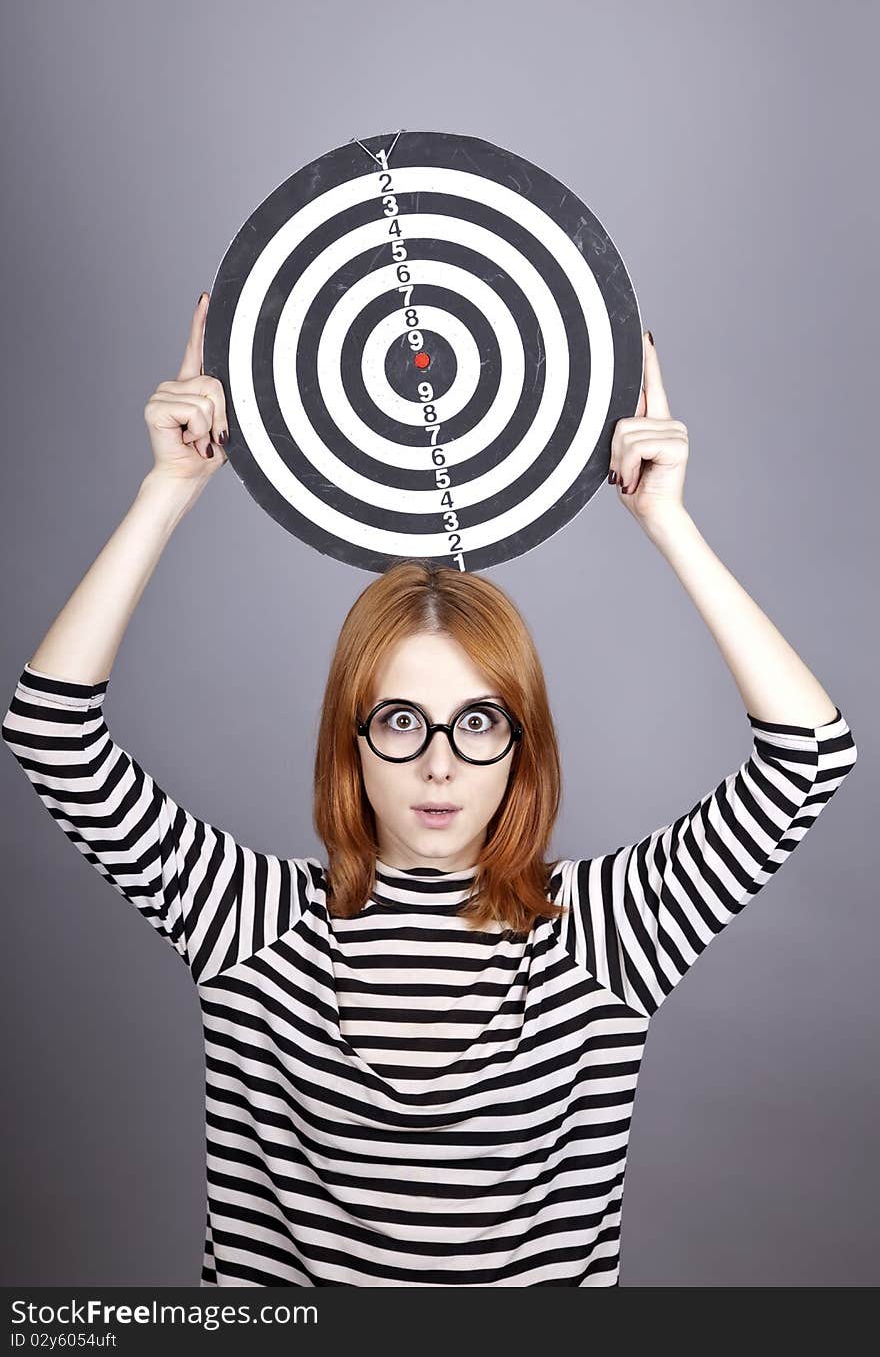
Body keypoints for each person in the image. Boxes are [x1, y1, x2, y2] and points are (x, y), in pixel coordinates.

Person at [1, 295, 858, 1287]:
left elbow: (807, 755)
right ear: (350, 740)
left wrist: (668, 524)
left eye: (478, 721)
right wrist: (167, 489)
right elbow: (50, 732)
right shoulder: (246, 916)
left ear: (519, 746)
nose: (439, 764)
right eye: (402, 720)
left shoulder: (604, 930)